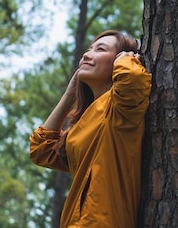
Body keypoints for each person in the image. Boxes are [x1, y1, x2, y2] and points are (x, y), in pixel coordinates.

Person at [29, 30, 151, 228]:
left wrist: (127, 58)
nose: (86, 55)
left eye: (100, 50)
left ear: (118, 60)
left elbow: (132, 78)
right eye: (88, 50)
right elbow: (41, 149)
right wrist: (69, 96)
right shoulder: (82, 124)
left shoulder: (121, 109)